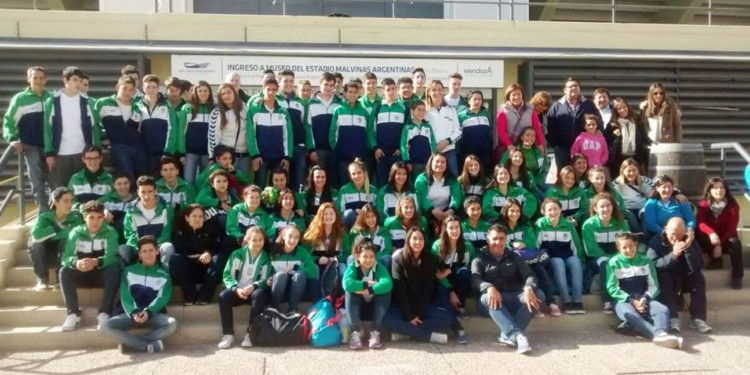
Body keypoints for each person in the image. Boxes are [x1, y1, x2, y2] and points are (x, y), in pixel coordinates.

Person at [471, 224, 543, 354]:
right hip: (489, 303)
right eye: (494, 238)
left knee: (539, 295)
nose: (498, 242)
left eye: (501, 238)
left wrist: (528, 287)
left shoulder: (514, 256)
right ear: (487, 240)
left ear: (506, 240)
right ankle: (517, 336)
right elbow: (475, 280)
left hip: (513, 297)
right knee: (487, 297)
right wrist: (488, 287)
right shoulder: (479, 258)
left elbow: (530, 275)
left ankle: (507, 335)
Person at [101, 235, 177, 353]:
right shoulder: (128, 271)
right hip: (130, 315)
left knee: (172, 324)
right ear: (140, 254)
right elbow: (125, 295)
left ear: (157, 251)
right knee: (104, 326)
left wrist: (148, 312)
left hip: (152, 315)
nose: (148, 254)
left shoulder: (164, 275)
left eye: (151, 250)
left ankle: (130, 343)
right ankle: (146, 346)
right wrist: (134, 312)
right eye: (144, 251)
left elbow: (162, 298)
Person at [606, 233, 683, 349]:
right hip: (623, 301)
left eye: (631, 246)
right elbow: (612, 288)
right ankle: (659, 335)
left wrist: (644, 299)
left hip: (644, 299)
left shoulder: (646, 260)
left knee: (663, 309)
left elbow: (654, 286)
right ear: (618, 248)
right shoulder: (613, 262)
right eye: (624, 248)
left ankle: (660, 333)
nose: (628, 250)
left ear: (636, 244)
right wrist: (632, 301)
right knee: (632, 314)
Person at [382, 227, 454, 344]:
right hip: (403, 306)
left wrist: (418, 314)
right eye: (414, 239)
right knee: (386, 320)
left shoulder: (430, 259)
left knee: (448, 318)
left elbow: (428, 290)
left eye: (421, 239)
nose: (418, 242)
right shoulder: (398, 259)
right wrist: (410, 316)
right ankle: (428, 336)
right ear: (408, 241)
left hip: (423, 306)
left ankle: (405, 333)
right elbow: (400, 291)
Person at [59, 201, 120, 331]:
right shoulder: (75, 232)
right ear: (84, 217)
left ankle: (105, 313)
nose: (95, 221)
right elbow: (66, 257)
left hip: (100, 273)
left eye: (99, 217)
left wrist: (96, 262)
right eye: (91, 217)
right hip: (81, 272)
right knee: (64, 271)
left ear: (103, 218)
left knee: (114, 269)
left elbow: (111, 256)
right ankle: (73, 314)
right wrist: (77, 263)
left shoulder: (111, 232)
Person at [646, 217, 711, 334]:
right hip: (667, 278)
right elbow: (653, 266)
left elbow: (696, 265)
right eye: (673, 234)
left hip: (684, 277)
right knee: (664, 276)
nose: (675, 238)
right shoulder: (656, 241)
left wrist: (688, 247)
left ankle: (698, 318)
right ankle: (672, 318)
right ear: (665, 229)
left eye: (680, 235)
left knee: (698, 276)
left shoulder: (689, 240)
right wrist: (673, 255)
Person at [4, 66, 55, 211]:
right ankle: (43, 214)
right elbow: (9, 121)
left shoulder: (52, 97)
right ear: (28, 79)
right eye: (35, 77)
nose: (38, 81)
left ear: (46, 80)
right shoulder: (20, 99)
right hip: (31, 146)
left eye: (41, 78)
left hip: (51, 146)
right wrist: (12, 138)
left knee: (55, 182)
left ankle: (56, 214)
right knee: (37, 181)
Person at [43, 66, 100, 187]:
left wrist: (97, 151)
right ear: (65, 81)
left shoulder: (88, 102)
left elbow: (95, 128)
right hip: (61, 154)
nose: (78, 83)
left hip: (83, 153)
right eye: (75, 80)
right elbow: (47, 129)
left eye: (80, 80)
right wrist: (49, 154)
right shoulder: (53, 101)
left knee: (82, 188)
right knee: (62, 189)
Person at [501, 198, 558, 317]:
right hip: (507, 261)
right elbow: (497, 241)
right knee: (527, 272)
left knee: (540, 270)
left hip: (526, 259)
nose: (515, 214)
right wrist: (511, 244)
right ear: (506, 211)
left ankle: (551, 302)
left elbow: (532, 241)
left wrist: (523, 243)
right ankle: (534, 306)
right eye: (511, 211)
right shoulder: (500, 226)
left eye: (517, 211)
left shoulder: (525, 225)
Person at [218, 226, 272, 349]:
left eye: (260, 240)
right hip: (238, 291)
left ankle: (250, 333)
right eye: (254, 240)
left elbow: (265, 278)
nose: (258, 243)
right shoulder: (237, 254)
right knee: (223, 296)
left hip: (253, 292)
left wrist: (253, 286)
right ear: (247, 240)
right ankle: (228, 334)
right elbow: (227, 275)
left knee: (259, 294)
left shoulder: (265, 258)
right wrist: (236, 289)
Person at [582, 193, 630, 314]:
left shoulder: (621, 222)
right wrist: (612, 259)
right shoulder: (588, 225)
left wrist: (618, 258)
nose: (606, 209)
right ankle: (607, 300)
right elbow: (591, 249)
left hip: (618, 256)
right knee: (606, 264)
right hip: (597, 258)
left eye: (608, 205)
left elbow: (628, 243)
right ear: (595, 208)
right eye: (602, 206)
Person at [535, 198, 585, 314]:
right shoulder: (540, 224)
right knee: (558, 263)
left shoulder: (568, 225)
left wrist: (580, 258)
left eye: (556, 209)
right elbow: (536, 245)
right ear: (544, 212)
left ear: (560, 210)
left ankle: (578, 301)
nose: (553, 212)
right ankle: (566, 301)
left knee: (576, 263)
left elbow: (576, 244)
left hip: (567, 255)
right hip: (551, 256)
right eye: (549, 210)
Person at [29, 187, 83, 290]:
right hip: (46, 254)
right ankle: (42, 279)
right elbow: (36, 234)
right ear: (55, 202)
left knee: (66, 240)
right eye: (65, 201)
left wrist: (50, 234)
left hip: (64, 254)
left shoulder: (75, 218)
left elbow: (73, 234)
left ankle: (61, 278)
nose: (69, 204)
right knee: (35, 243)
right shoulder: (44, 217)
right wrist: (56, 229)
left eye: (71, 201)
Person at [95, 74, 145, 184]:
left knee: (142, 176)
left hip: (137, 147)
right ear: (117, 87)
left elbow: (140, 128)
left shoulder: (137, 107)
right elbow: (94, 123)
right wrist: (103, 137)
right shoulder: (103, 103)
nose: (127, 92)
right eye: (125, 88)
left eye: (131, 90)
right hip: (118, 146)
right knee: (127, 176)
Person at [344, 239, 393, 350]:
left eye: (371, 256)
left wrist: (368, 290)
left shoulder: (379, 267)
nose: (368, 260)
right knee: (350, 292)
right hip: (358, 305)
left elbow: (387, 284)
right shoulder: (353, 267)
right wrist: (366, 284)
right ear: (358, 256)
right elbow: (347, 284)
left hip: (374, 304)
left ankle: (375, 333)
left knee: (385, 292)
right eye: (365, 256)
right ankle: (355, 333)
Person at [170, 204, 224, 305]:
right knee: (175, 259)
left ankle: (204, 297)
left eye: (200, 217)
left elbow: (216, 247)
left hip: (206, 269)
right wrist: (198, 257)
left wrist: (209, 253)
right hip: (188, 269)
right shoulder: (179, 231)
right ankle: (190, 296)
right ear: (187, 218)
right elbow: (180, 250)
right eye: (194, 216)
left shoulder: (211, 230)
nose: (197, 219)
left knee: (219, 258)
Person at [246, 79, 294, 188]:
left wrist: (287, 156)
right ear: (263, 90)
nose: (271, 92)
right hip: (261, 157)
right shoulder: (254, 110)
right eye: (268, 89)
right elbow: (250, 135)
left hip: (279, 157)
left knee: (279, 187)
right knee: (260, 187)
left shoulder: (283, 112)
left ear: (277, 91)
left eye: (274, 90)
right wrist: (255, 155)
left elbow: (288, 136)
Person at [696, 177, 743, 288]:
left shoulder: (732, 205)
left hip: (726, 238)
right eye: (715, 188)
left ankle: (737, 277)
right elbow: (700, 223)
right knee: (700, 236)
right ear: (710, 190)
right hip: (710, 238)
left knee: (735, 243)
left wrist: (719, 244)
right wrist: (711, 232)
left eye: (721, 187)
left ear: (726, 189)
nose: (719, 191)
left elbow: (731, 228)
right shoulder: (704, 205)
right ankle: (715, 260)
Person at [118, 176, 175, 268]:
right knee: (123, 249)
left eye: (150, 191)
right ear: (138, 193)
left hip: (158, 248)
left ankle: (165, 275)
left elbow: (166, 234)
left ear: (155, 191)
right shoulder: (131, 210)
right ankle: (129, 275)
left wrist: (152, 251)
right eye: (143, 192)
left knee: (168, 247)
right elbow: (130, 235)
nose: (146, 196)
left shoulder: (167, 209)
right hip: (138, 251)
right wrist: (142, 251)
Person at [546, 77, 600, 170]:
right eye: (570, 86)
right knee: (564, 175)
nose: (573, 88)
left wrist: (597, 133)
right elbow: (549, 127)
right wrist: (556, 144)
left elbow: (598, 121)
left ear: (580, 88)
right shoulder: (556, 106)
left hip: (584, 148)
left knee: (584, 175)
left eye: (576, 86)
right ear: (564, 90)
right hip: (563, 149)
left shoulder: (588, 104)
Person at [330, 81, 374, 186]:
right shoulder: (338, 110)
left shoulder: (363, 111)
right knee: (343, 184)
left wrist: (364, 151)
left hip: (360, 156)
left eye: (355, 92)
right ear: (344, 93)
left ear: (358, 93)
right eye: (350, 92)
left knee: (360, 184)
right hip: (343, 156)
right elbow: (332, 132)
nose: (352, 94)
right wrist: (336, 148)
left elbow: (368, 132)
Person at [432, 215, 476, 320]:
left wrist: (451, 270)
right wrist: (450, 291)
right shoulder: (437, 246)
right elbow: (436, 272)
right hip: (444, 281)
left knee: (464, 271)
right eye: (451, 228)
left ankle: (460, 306)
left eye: (457, 227)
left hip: (461, 281)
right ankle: (449, 313)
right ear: (445, 229)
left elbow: (473, 267)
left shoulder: (468, 246)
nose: (455, 231)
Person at [135, 74, 178, 176]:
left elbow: (172, 130)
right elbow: (135, 130)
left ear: (158, 88)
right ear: (143, 88)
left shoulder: (167, 106)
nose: (151, 90)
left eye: (154, 87)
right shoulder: (137, 106)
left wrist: (167, 152)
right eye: (148, 87)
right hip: (143, 153)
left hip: (162, 154)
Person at [269, 224, 319, 313]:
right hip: (278, 288)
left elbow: (313, 271)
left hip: (296, 288)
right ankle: (274, 310)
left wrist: (295, 267)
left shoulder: (302, 252)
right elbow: (267, 270)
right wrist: (269, 278)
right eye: (290, 236)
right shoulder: (274, 251)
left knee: (300, 274)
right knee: (281, 275)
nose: (293, 240)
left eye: (296, 237)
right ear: (284, 236)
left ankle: (292, 310)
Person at [303, 202, 348, 296]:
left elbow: (348, 253)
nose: (329, 216)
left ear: (336, 215)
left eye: (331, 213)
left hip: (336, 264)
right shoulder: (311, 234)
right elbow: (304, 254)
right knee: (314, 270)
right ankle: (317, 300)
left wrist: (338, 259)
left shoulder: (342, 234)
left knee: (343, 269)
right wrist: (317, 259)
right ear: (320, 216)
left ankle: (341, 300)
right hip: (317, 264)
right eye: (325, 214)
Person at [414, 152, 463, 237]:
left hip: (448, 212)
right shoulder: (421, 179)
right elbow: (422, 198)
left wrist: (451, 210)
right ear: (431, 163)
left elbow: (457, 196)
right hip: (428, 213)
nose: (440, 164)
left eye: (443, 162)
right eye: (437, 161)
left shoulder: (452, 179)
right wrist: (433, 211)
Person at [276, 70, 310, 190]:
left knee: (299, 182)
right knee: (280, 182)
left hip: (298, 147)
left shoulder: (300, 102)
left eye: (291, 81)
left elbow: (305, 125)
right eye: (285, 81)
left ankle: (298, 208)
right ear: (279, 82)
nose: (288, 84)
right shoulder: (274, 100)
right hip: (280, 147)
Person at [372, 78, 407, 186]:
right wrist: (375, 148)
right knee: (382, 184)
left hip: (397, 153)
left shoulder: (404, 108)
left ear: (396, 90)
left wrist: (401, 149)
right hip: (381, 154)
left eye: (393, 89)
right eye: (388, 90)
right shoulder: (377, 108)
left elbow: (407, 131)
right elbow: (370, 130)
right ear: (383, 91)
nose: (391, 92)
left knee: (397, 184)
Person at [208, 83, 250, 174]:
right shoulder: (216, 112)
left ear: (234, 93)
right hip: (226, 158)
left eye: (229, 92)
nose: (226, 96)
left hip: (245, 155)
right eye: (223, 94)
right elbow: (213, 136)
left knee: (243, 184)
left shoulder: (245, 109)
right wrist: (213, 156)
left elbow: (251, 131)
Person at [179, 80, 214, 185]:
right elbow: (181, 131)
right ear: (195, 92)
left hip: (207, 153)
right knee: (188, 181)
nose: (203, 93)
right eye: (200, 91)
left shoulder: (214, 109)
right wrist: (181, 152)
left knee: (205, 183)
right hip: (190, 152)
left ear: (209, 92)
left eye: (205, 90)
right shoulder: (187, 108)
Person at [496, 84, 545, 159]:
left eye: (519, 94)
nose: (516, 97)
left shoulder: (530, 110)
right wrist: (509, 145)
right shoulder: (503, 111)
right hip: (510, 149)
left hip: (528, 147)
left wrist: (540, 144)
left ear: (522, 95)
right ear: (508, 96)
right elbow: (501, 131)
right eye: (513, 95)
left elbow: (537, 128)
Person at [307, 72, 342, 176]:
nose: (328, 88)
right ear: (320, 84)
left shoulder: (339, 103)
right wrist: (311, 149)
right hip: (318, 151)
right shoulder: (310, 104)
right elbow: (308, 128)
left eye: (331, 85)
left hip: (335, 149)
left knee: (333, 182)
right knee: (318, 181)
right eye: (326, 84)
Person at [425, 80, 462, 177]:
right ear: (429, 92)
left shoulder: (451, 110)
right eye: (434, 90)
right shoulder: (424, 111)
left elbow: (458, 131)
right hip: (430, 152)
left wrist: (447, 141)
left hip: (449, 151)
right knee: (430, 180)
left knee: (453, 179)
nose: (437, 93)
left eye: (440, 90)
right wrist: (434, 146)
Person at [643, 175, 696, 241]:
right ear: (657, 188)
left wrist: (687, 230)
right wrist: (667, 233)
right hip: (661, 236)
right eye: (664, 187)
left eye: (669, 186)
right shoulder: (651, 203)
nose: (667, 189)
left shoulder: (680, 201)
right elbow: (651, 224)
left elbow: (691, 219)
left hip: (683, 235)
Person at [607, 97, 650, 176]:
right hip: (619, 159)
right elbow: (606, 140)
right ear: (616, 111)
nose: (623, 110)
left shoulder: (637, 120)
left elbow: (644, 136)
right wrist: (614, 135)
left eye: (624, 107)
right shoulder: (612, 124)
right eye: (619, 108)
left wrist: (652, 143)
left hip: (636, 157)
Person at [612, 158, 653, 233]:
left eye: (634, 170)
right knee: (630, 216)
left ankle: (644, 238)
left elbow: (659, 187)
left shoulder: (644, 180)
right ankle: (639, 235)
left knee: (646, 214)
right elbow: (609, 194)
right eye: (628, 171)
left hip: (641, 207)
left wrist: (676, 193)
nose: (631, 173)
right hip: (625, 208)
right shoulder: (616, 183)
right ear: (623, 171)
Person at [197, 170, 241, 234]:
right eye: (218, 181)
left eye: (224, 181)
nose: (222, 184)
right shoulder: (208, 191)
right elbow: (200, 199)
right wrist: (221, 204)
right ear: (212, 184)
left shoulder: (232, 194)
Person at [458, 91, 493, 171]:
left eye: (479, 99)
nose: (477, 101)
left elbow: (490, 131)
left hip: (485, 152)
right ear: (469, 101)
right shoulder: (461, 116)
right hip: (468, 152)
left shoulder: (486, 114)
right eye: (475, 99)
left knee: (484, 172)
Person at [400, 100, 437, 177]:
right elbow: (403, 145)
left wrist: (433, 158)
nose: (421, 112)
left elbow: (433, 142)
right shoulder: (408, 128)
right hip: (414, 163)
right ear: (412, 111)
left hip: (427, 163)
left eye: (423, 110)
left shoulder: (428, 126)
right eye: (419, 110)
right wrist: (407, 162)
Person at [225, 185, 268, 250]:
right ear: (245, 197)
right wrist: (242, 237)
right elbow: (231, 228)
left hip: (253, 242)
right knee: (229, 239)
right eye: (251, 197)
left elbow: (261, 230)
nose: (255, 200)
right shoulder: (236, 209)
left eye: (257, 197)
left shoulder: (263, 214)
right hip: (237, 240)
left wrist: (249, 239)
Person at [337, 159, 376, 229]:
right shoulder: (344, 190)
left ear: (364, 173)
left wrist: (364, 213)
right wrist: (354, 211)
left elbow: (377, 210)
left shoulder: (373, 190)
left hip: (368, 221)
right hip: (350, 222)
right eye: (353, 174)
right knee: (349, 214)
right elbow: (340, 212)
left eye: (359, 172)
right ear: (349, 175)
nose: (356, 176)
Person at [98, 172, 137, 243]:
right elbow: (89, 207)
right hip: (110, 234)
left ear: (130, 183)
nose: (123, 187)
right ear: (114, 185)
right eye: (119, 184)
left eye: (126, 183)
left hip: (129, 234)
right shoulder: (107, 199)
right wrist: (104, 210)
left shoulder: (137, 199)